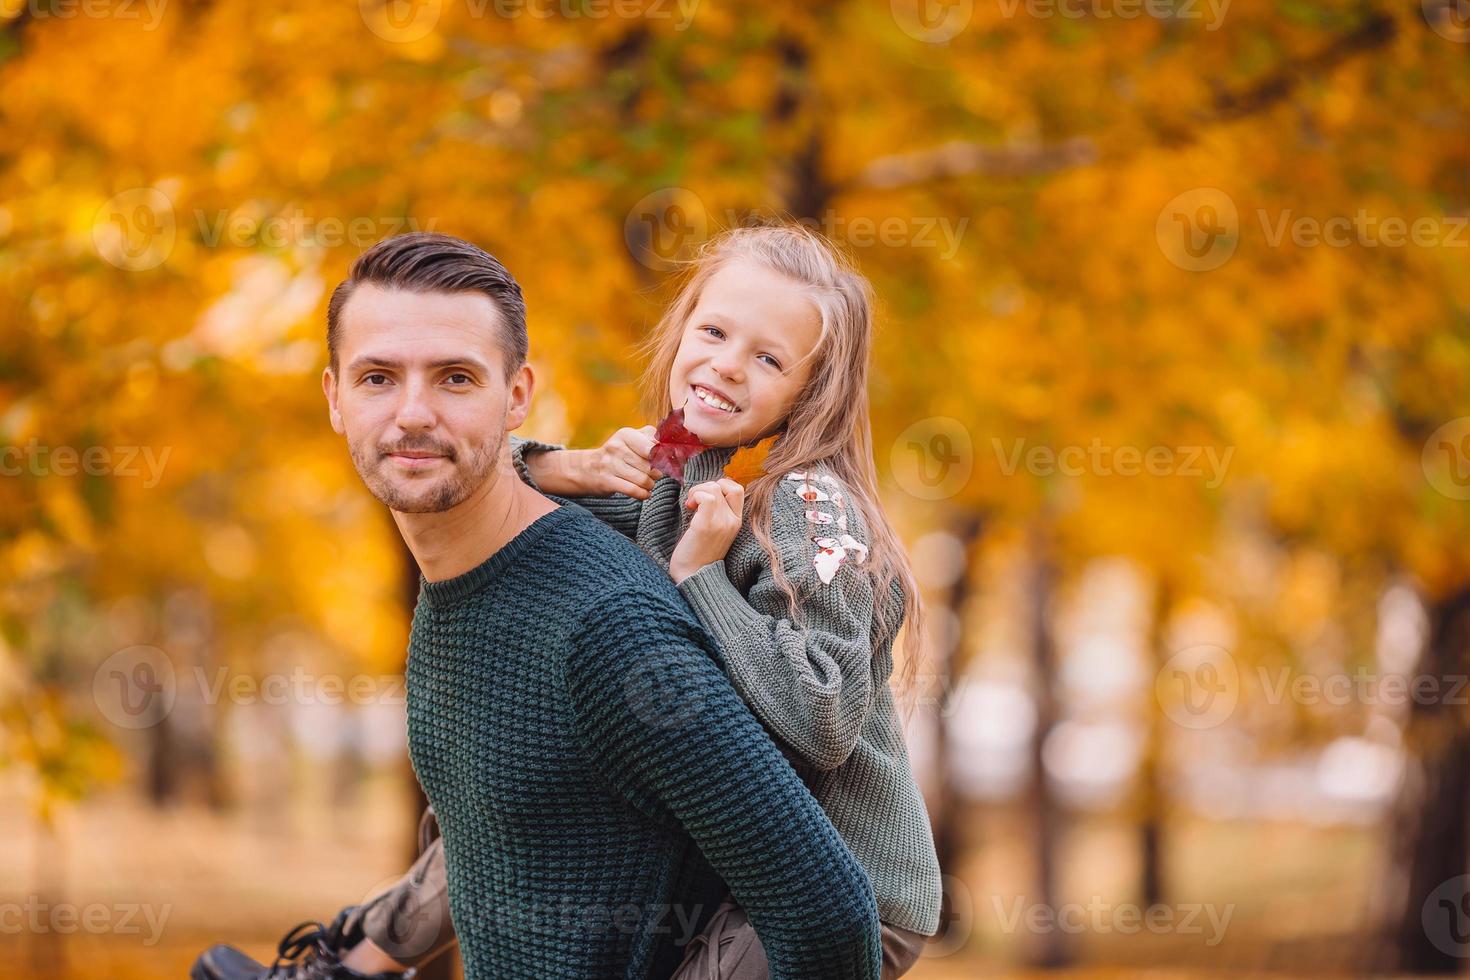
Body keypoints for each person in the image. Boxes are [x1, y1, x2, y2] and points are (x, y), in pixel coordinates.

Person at [190, 232, 884, 980]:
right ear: (334, 396)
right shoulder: (676, 467)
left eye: (456, 378)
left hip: (866, 863)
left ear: (516, 395)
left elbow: (827, 895)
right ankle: (348, 966)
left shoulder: (795, 518)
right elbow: (522, 481)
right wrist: (561, 463)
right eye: (378, 378)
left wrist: (700, 578)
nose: (414, 414)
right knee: (486, 804)